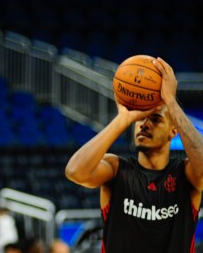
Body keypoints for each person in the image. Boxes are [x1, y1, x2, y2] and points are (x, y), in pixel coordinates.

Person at [65, 57, 203, 253]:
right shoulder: (116, 170)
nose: (144, 123)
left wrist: (171, 102)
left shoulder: (186, 174)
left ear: (173, 131)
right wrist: (123, 119)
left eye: (155, 119)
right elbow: (75, 171)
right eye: (140, 118)